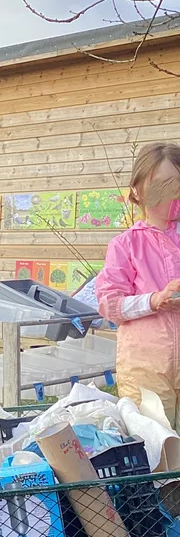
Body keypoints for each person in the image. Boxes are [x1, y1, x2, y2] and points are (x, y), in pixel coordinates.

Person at [96, 142, 180, 426]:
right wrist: (153, 300)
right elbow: (109, 304)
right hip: (145, 366)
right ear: (137, 190)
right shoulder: (126, 245)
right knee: (155, 444)